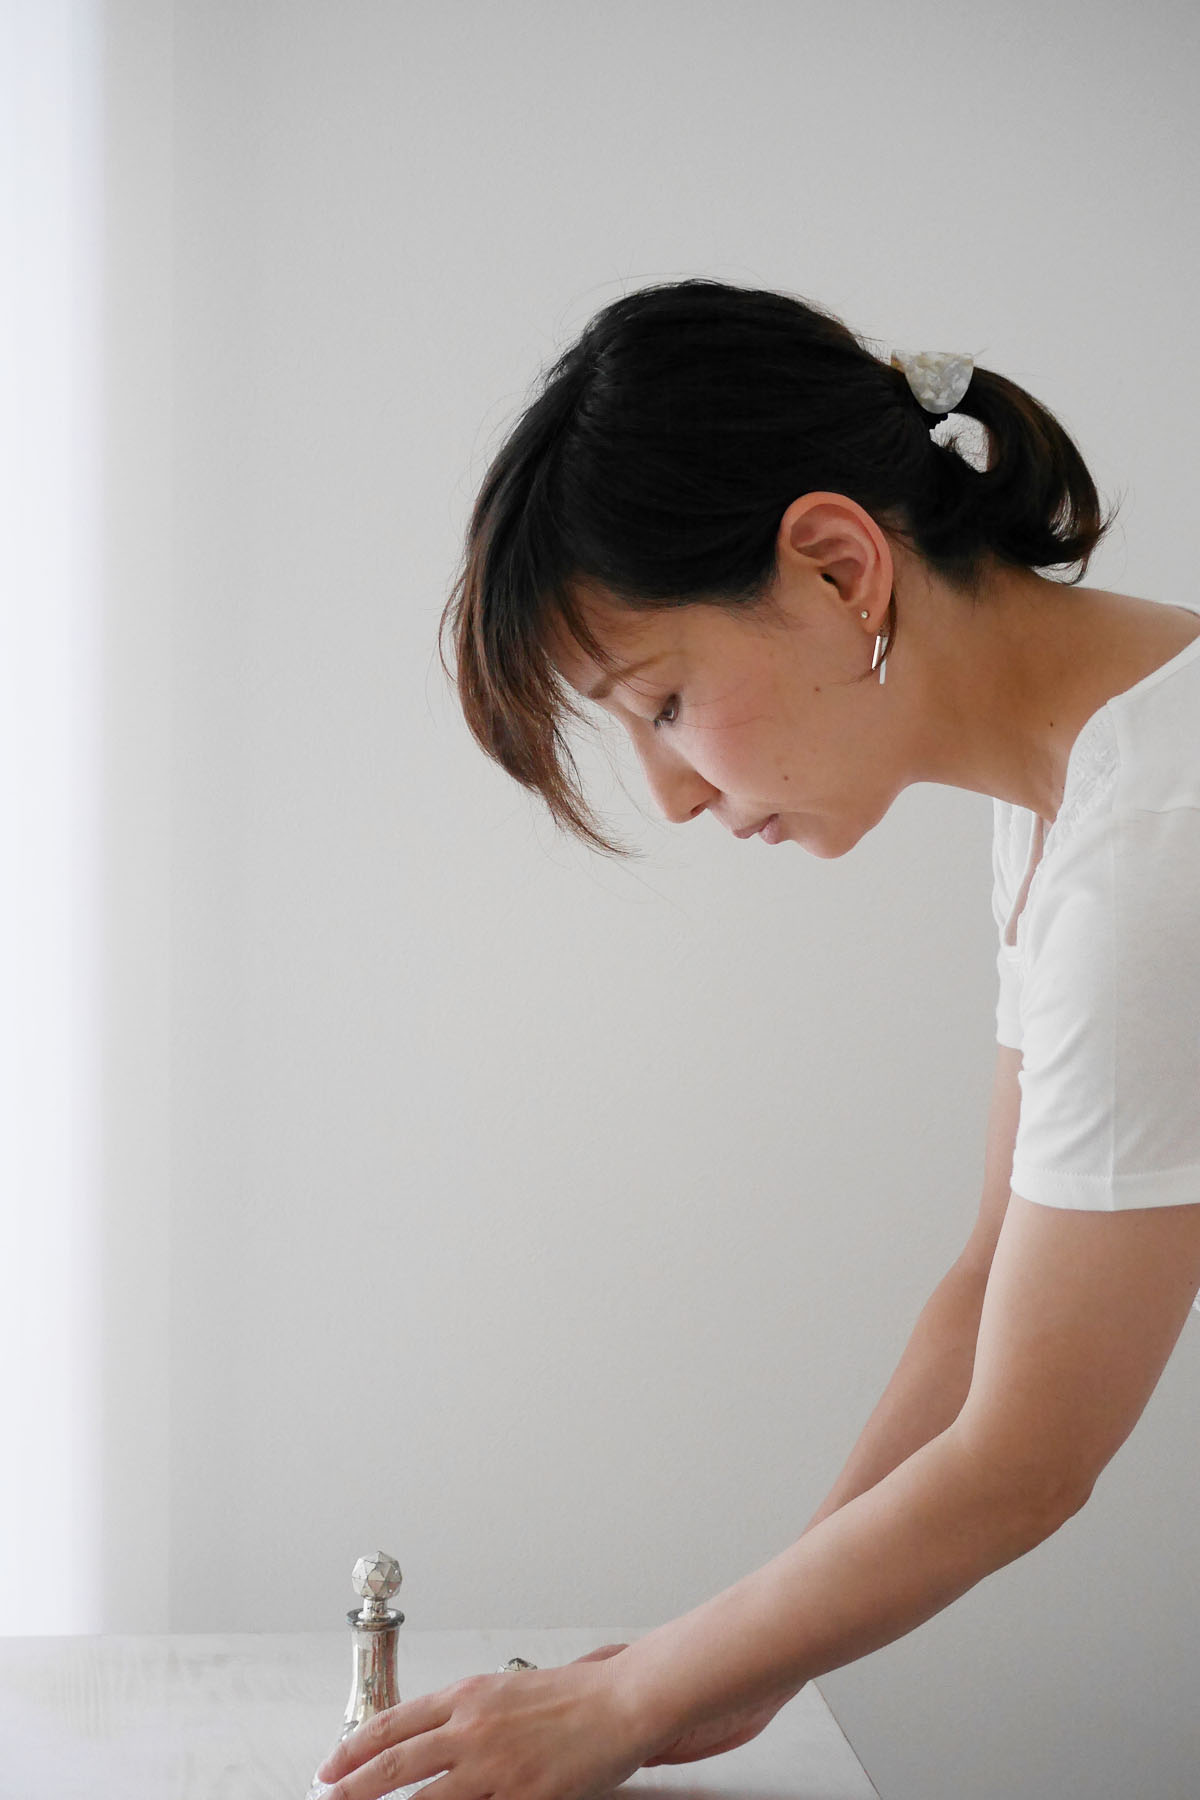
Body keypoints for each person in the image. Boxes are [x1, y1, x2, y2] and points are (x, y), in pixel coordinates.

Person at [316, 280, 1200, 1800]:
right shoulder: (1082, 793)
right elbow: (990, 1282)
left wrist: (642, 1694)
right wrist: (735, 1669)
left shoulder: (1157, 846)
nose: (668, 793)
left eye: (660, 701)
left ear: (841, 565)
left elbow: (1027, 1454)